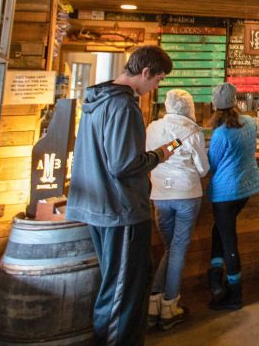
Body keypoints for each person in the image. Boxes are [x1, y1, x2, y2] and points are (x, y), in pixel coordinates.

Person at [65, 45, 175, 345]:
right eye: (158, 80)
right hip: (120, 210)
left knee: (122, 286)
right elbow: (123, 163)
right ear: (145, 72)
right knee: (122, 292)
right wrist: (157, 156)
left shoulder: (98, 100)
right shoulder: (124, 106)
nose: (156, 87)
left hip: (100, 207)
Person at [144, 89, 209, 330]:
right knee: (177, 249)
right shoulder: (192, 131)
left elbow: (146, 157)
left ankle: (153, 303)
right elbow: (203, 168)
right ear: (189, 107)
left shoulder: (152, 128)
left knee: (170, 248)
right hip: (186, 195)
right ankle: (170, 307)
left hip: (159, 195)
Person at [206, 83, 259, 310]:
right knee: (218, 232)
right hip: (246, 189)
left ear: (215, 105)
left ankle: (234, 294)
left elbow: (212, 164)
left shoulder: (221, 134)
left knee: (228, 238)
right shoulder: (249, 122)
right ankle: (215, 280)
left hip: (225, 193)